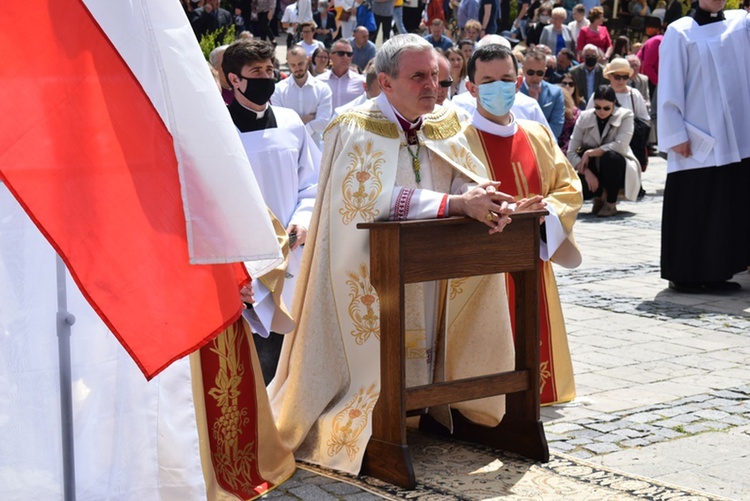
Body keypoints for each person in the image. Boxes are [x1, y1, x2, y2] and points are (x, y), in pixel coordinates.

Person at [268, 33, 531, 475]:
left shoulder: (445, 121)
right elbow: (365, 201)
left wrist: (479, 194)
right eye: (418, 77)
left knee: (430, 331)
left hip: (432, 262)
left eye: (435, 75)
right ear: (386, 82)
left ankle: (429, 404)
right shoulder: (354, 124)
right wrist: (455, 204)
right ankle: (378, 417)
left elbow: (460, 177)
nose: (432, 85)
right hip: (371, 266)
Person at [462, 43, 583, 405]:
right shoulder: (458, 142)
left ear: (517, 84)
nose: (497, 88)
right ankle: (487, 397)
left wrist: (544, 209)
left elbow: (569, 186)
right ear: (470, 88)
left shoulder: (538, 135)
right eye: (487, 81)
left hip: (534, 256)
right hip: (483, 266)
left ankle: (540, 388)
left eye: (505, 79)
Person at [222, 39, 320, 382]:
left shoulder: (291, 122)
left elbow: (311, 183)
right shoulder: (219, 130)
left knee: (291, 348)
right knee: (250, 361)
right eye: (256, 72)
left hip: (291, 251)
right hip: (243, 257)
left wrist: (303, 221)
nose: (267, 78)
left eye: (269, 70)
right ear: (235, 80)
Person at [658, 0, 750, 292]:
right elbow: (670, 83)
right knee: (694, 205)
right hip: (696, 137)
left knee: (725, 206)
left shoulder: (739, 24)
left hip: (736, 135)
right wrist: (675, 133)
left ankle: (718, 271)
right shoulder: (680, 31)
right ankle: (684, 274)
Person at [567, 85, 641, 217]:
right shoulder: (584, 117)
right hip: (592, 167)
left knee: (610, 157)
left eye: (606, 108)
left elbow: (621, 145)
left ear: (614, 104)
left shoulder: (625, 115)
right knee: (578, 186)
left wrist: (590, 152)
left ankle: (611, 203)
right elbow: (571, 151)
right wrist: (586, 171)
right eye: (597, 107)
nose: (601, 111)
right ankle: (599, 195)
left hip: (618, 166)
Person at [272, 46, 333, 148]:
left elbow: (323, 122)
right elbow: (279, 123)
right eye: (293, 65)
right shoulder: (278, 90)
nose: (297, 68)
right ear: (288, 63)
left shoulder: (323, 89)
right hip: (288, 148)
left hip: (315, 148)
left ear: (307, 60)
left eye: (300, 63)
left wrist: (295, 127)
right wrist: (308, 119)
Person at [520, 50, 565, 139]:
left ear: (545, 71)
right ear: (523, 69)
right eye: (530, 72)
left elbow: (556, 127)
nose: (535, 77)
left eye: (539, 73)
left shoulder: (555, 93)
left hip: (545, 143)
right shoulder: (514, 90)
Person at [318, 38, 367, 108]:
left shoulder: (362, 82)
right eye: (341, 53)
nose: (345, 57)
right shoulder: (318, 81)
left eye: (349, 54)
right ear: (331, 56)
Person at [558, 72, 583, 153]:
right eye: (564, 83)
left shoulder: (582, 104)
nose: (567, 86)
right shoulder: (555, 104)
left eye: (571, 84)